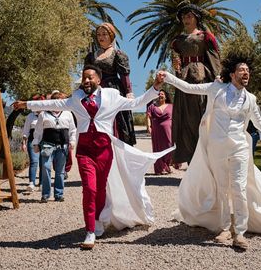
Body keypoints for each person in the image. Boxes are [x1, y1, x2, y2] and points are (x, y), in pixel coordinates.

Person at [160, 55, 261, 250]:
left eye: (247, 70)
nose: (246, 72)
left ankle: (240, 232)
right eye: (241, 69)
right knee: (221, 189)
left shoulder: (251, 99)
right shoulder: (216, 89)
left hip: (240, 147)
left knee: (239, 188)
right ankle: (224, 228)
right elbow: (190, 88)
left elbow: (259, 123)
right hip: (217, 147)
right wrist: (169, 77)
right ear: (232, 74)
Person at [13, 66, 170, 250]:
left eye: (90, 78)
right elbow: (53, 104)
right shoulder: (76, 98)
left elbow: (135, 103)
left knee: (101, 189)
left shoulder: (112, 96)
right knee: (89, 189)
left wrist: (156, 87)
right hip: (85, 151)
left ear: (98, 80)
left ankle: (98, 219)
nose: (86, 81)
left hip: (104, 151)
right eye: (83, 78)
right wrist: (26, 104)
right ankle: (89, 231)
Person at [170, 3, 221, 167]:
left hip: (201, 76)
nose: (186, 19)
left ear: (196, 18)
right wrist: (176, 65)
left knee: (202, 117)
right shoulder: (177, 41)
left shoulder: (205, 37)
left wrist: (219, 78)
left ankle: (208, 160)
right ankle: (192, 161)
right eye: (184, 17)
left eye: (189, 16)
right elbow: (176, 58)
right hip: (184, 79)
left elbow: (214, 58)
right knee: (185, 119)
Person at [84, 22, 136, 145]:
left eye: (104, 34)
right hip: (96, 91)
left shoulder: (117, 54)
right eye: (98, 34)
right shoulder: (91, 56)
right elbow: (86, 75)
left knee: (117, 122)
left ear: (111, 36)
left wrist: (128, 92)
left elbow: (124, 76)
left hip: (113, 89)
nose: (101, 37)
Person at [32, 91, 76, 202]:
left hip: (62, 146)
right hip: (47, 145)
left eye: (61, 102)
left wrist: (72, 141)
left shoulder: (68, 113)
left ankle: (59, 194)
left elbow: (72, 130)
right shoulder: (43, 114)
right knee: (46, 169)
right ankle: (45, 195)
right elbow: (38, 131)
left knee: (60, 171)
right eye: (56, 101)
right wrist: (36, 143)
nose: (58, 104)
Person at [146, 89, 173, 175]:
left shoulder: (171, 106)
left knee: (169, 146)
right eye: (159, 94)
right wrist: (149, 126)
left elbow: (176, 117)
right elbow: (148, 116)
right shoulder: (152, 106)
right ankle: (160, 168)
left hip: (169, 130)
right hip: (156, 130)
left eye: (162, 94)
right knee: (158, 148)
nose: (160, 95)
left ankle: (167, 165)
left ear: (165, 97)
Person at [21, 94, 44, 192]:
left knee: (43, 163)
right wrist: (23, 143)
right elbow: (26, 131)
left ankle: (42, 183)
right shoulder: (30, 116)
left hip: (44, 140)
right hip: (32, 141)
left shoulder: (46, 114)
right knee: (34, 161)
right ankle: (31, 183)